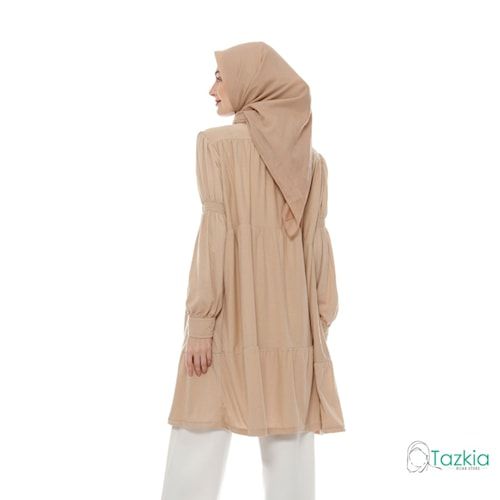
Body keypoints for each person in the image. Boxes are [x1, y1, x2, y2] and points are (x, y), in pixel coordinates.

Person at [161, 41, 345, 500]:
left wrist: (200, 323)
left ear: (251, 82)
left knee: (197, 438)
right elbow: (319, 252)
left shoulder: (215, 146)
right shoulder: (312, 163)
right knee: (291, 458)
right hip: (293, 326)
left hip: (227, 321)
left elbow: (214, 238)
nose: (212, 89)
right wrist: (318, 323)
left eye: (220, 77)